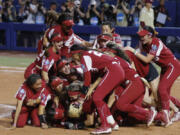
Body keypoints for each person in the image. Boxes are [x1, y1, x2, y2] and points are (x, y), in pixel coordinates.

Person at [124, 26, 180, 127]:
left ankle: (166, 115)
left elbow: (147, 60)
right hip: (165, 68)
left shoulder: (155, 43)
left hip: (173, 66)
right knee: (162, 93)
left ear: (150, 36)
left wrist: (133, 50)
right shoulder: (144, 42)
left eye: (143, 36)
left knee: (162, 89)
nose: (141, 38)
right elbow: (138, 53)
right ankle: (176, 110)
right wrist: (134, 50)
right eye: (140, 36)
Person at [70, 44, 125, 134]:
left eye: (72, 55)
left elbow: (87, 79)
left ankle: (105, 126)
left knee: (97, 98)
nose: (72, 58)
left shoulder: (84, 56)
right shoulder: (88, 54)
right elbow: (102, 71)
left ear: (77, 53)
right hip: (117, 70)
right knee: (99, 97)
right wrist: (91, 88)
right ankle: (112, 123)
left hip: (114, 71)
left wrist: (81, 99)